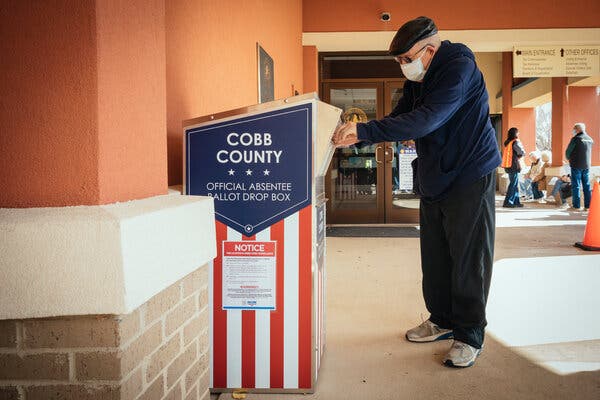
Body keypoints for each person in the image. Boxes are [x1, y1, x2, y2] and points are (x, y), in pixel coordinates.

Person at [331, 16, 501, 368]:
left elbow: (427, 119)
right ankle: (441, 319)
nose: (404, 66)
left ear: (430, 49)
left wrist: (365, 132)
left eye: (407, 59)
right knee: (436, 255)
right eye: (399, 62)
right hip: (436, 173)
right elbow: (403, 115)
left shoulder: (459, 67)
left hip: (470, 172)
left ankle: (469, 334)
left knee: (469, 257)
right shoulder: (420, 79)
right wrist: (360, 130)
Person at [566, 122, 594, 211]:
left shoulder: (575, 139)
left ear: (577, 129)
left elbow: (568, 152)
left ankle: (576, 206)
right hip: (586, 166)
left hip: (576, 165)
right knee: (586, 185)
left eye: (574, 129)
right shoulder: (590, 139)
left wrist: (569, 158)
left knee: (576, 185)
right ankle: (587, 206)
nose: (573, 131)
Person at [501, 127, 525, 208]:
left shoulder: (508, 142)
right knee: (513, 184)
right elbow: (521, 152)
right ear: (515, 134)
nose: (519, 134)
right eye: (518, 133)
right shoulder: (515, 142)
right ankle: (508, 202)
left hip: (508, 165)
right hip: (513, 165)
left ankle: (516, 201)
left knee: (514, 184)